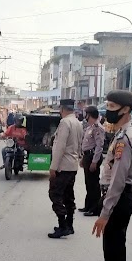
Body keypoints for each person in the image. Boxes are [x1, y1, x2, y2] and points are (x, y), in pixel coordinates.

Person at [91, 90, 132, 261]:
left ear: (125, 110)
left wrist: (105, 212)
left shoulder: (125, 139)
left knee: (115, 251)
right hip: (117, 197)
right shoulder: (122, 134)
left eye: (112, 107)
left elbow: (118, 181)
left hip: (119, 199)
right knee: (110, 248)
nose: (107, 111)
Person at [48, 99, 84, 238]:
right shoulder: (77, 122)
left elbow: (60, 147)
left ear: (62, 109)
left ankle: (63, 226)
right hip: (72, 165)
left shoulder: (65, 122)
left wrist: (53, 167)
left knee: (55, 194)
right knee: (68, 196)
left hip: (63, 165)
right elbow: (80, 145)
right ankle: (69, 225)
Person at [79, 106, 105, 217]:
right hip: (87, 156)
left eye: (86, 114)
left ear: (90, 114)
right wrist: (82, 158)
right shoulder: (90, 127)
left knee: (94, 184)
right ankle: (88, 205)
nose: (85, 116)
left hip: (93, 157)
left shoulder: (97, 128)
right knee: (88, 183)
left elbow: (99, 146)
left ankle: (95, 209)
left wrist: (94, 161)